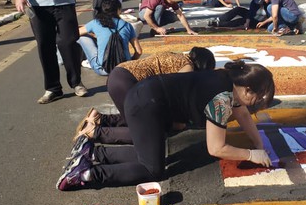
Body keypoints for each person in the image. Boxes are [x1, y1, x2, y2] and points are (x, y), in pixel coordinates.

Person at [56, 61, 275, 190]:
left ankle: (93, 153)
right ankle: (87, 174)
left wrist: (259, 143)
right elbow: (216, 148)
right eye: (259, 100)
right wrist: (250, 154)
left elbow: (243, 115)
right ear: (247, 90)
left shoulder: (227, 78)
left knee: (152, 156)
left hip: (145, 96)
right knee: (152, 169)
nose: (257, 106)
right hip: (146, 104)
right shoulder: (222, 99)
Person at [74, 47, 216, 144]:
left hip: (119, 75)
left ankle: (100, 118)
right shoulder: (188, 68)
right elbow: (172, 94)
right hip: (127, 82)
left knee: (137, 118)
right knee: (148, 134)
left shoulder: (177, 56)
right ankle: (94, 132)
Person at [78, 0, 142, 76]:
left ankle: (83, 60)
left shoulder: (96, 23)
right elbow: (139, 51)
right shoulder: (127, 25)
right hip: (125, 69)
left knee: (82, 37)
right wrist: (131, 61)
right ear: (118, 10)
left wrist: (92, 34)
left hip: (103, 69)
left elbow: (77, 33)